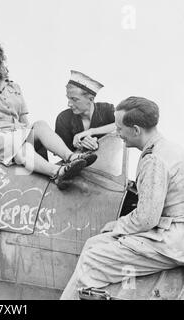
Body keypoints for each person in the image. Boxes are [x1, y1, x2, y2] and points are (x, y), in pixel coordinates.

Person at [60, 96, 184, 300]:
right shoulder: (170, 149)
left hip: (173, 241)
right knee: (93, 242)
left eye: (120, 128)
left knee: (93, 260)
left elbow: (147, 218)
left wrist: (118, 226)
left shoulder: (154, 159)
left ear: (136, 130)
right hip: (172, 233)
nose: (118, 133)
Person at [0, 41, 97, 186]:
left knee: (40, 125)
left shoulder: (13, 86)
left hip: (17, 131)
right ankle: (57, 172)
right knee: (21, 147)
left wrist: (32, 137)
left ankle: (71, 157)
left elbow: (24, 121)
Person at [55, 70, 116, 151]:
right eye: (68, 98)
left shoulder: (107, 109)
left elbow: (123, 126)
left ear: (91, 99)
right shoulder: (63, 118)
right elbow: (62, 153)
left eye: (74, 99)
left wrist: (91, 132)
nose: (69, 104)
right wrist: (82, 148)